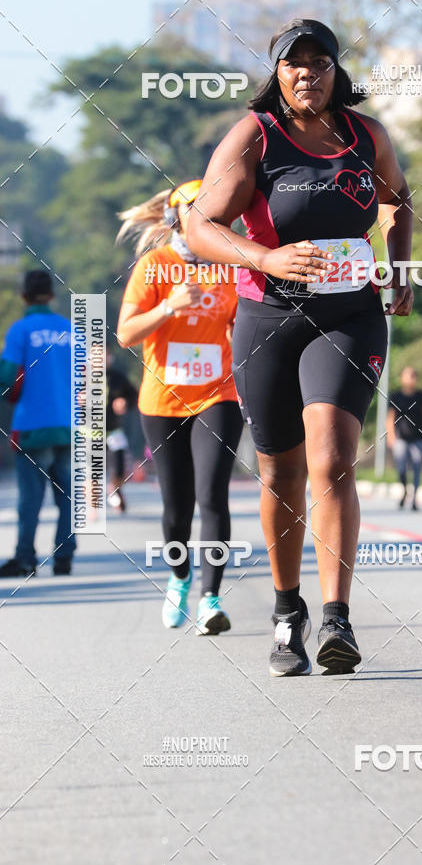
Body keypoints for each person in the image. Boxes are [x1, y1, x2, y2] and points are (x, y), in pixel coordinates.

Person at [186, 18, 413, 676]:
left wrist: (398, 268)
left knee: (333, 459)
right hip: (267, 322)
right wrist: (267, 257)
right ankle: (289, 611)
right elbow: (201, 225)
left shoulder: (367, 137)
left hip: (349, 318)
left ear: (337, 72)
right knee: (282, 473)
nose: (308, 73)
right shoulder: (255, 137)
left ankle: (337, 617)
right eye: (295, 64)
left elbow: (399, 204)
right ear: (277, 73)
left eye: (320, 62)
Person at [116, 179, 243, 633]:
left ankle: (211, 598)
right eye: (198, 214)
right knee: (177, 507)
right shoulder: (155, 266)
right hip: (162, 401)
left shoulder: (228, 268)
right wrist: (168, 306)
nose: (209, 222)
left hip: (217, 396)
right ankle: (179, 576)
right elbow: (126, 334)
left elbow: (241, 329)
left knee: (213, 496)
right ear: (175, 219)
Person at [0, 270, 75, 577]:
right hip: (70, 427)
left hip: (32, 427)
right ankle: (64, 558)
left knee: (31, 499)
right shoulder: (71, 330)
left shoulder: (21, 330)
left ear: (23, 296)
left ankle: (26, 558)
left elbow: (7, 379)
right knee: (67, 498)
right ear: (52, 296)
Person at [386, 367, 422, 510]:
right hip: (401, 437)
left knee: (417, 466)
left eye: (413, 375)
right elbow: (390, 418)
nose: (410, 378)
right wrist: (391, 435)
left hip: (418, 436)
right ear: (402, 378)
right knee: (401, 467)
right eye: (407, 376)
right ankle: (404, 490)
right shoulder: (395, 396)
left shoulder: (421, 396)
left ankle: (414, 498)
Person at [106, 346, 137, 513]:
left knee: (119, 469)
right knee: (90, 473)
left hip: (113, 431)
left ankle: (115, 489)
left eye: (105, 354)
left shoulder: (118, 378)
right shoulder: (79, 377)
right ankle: (91, 507)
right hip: (87, 433)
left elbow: (134, 396)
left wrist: (125, 402)